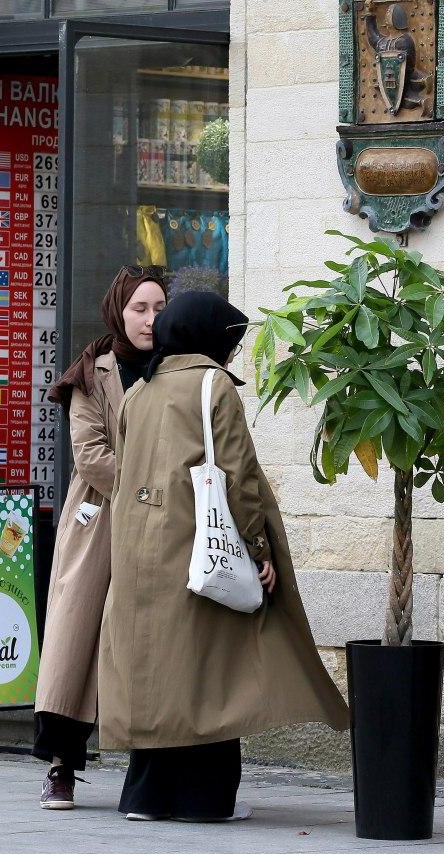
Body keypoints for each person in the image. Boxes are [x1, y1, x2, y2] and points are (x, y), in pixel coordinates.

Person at [99, 291, 350, 822]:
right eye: (231, 341)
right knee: (212, 674)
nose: (233, 352)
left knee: (159, 670)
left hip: (139, 548)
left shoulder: (138, 391)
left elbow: (123, 474)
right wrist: (258, 549)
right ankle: (202, 799)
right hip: (198, 545)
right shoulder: (214, 385)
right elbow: (237, 478)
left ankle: (145, 796)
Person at [33, 266, 168, 810]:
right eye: (140, 308)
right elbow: (89, 454)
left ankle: (151, 764)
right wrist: (149, 493)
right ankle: (61, 767)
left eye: (160, 308)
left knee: (152, 638)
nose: (150, 319)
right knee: (76, 635)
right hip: (101, 516)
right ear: (118, 310)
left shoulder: (176, 368)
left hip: (163, 521)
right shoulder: (92, 371)